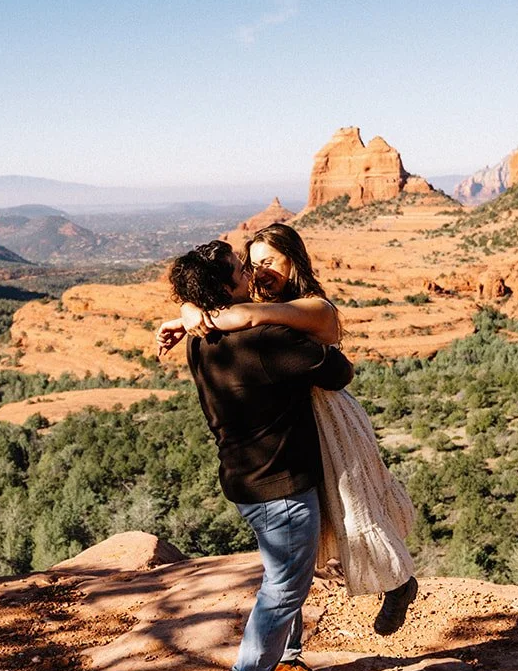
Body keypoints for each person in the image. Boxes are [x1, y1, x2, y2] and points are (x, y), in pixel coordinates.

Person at [157, 223, 419, 635]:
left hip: (329, 413)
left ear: (292, 260)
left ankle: (398, 583)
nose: (260, 272)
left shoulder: (313, 305)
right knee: (311, 536)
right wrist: (190, 312)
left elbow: (248, 316)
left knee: (355, 505)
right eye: (251, 264)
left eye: (269, 262)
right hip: (292, 420)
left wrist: (194, 316)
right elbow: (235, 311)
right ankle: (288, 654)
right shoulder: (254, 302)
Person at [163, 239, 354, 671]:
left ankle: (286, 662)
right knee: (285, 585)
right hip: (281, 485)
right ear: (229, 287)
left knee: (285, 575)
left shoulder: (198, 337)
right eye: (241, 269)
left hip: (246, 478)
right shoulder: (265, 340)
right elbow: (338, 371)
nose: (250, 272)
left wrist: (198, 312)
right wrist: (274, 317)